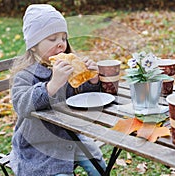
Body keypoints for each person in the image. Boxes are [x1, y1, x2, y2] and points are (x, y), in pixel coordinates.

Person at [9, 4, 107, 176]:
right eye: (52, 39)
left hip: (70, 137)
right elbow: (22, 106)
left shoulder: (68, 66)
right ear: (33, 45)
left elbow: (80, 95)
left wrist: (91, 80)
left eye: (63, 38)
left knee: (98, 165)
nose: (61, 44)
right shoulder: (25, 75)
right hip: (38, 146)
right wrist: (52, 86)